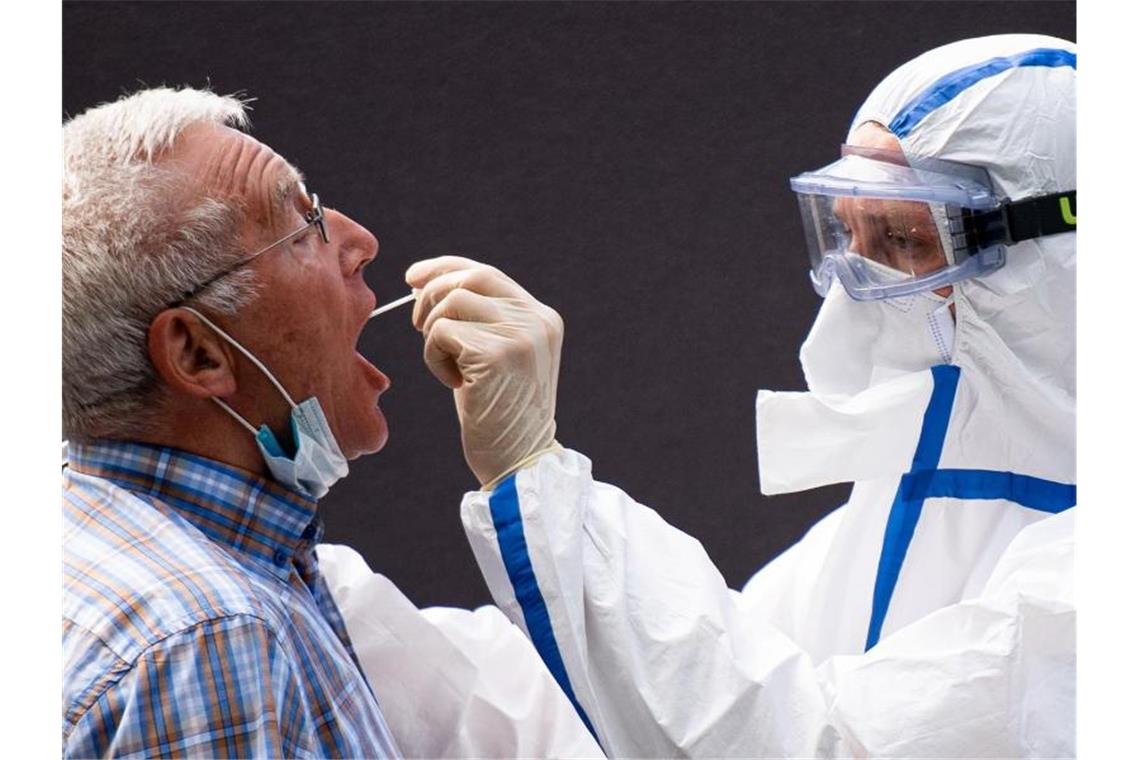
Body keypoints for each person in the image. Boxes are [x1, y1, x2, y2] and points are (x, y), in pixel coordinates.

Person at [402, 34, 1077, 756]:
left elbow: (806, 739)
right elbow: (589, 719)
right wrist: (333, 609)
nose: (860, 289)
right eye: (846, 235)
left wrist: (535, 478)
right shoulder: (902, 519)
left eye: (905, 239)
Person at [62, 88, 603, 758]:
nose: (361, 242)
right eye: (302, 228)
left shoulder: (131, 552)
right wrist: (530, 466)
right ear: (198, 354)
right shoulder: (208, 636)